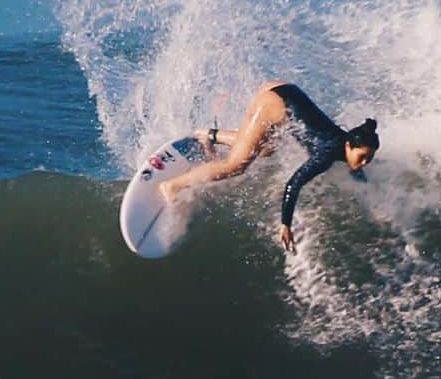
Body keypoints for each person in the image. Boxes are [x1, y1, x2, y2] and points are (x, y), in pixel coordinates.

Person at [160, 81, 379, 252]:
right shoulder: (328, 152)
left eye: (368, 159)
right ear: (349, 145)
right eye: (361, 157)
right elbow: (294, 183)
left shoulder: (345, 141)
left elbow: (357, 170)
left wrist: (371, 195)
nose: (363, 163)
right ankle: (172, 186)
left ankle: (207, 136)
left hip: (283, 92)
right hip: (274, 103)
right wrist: (286, 224)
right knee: (236, 166)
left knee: (264, 149)